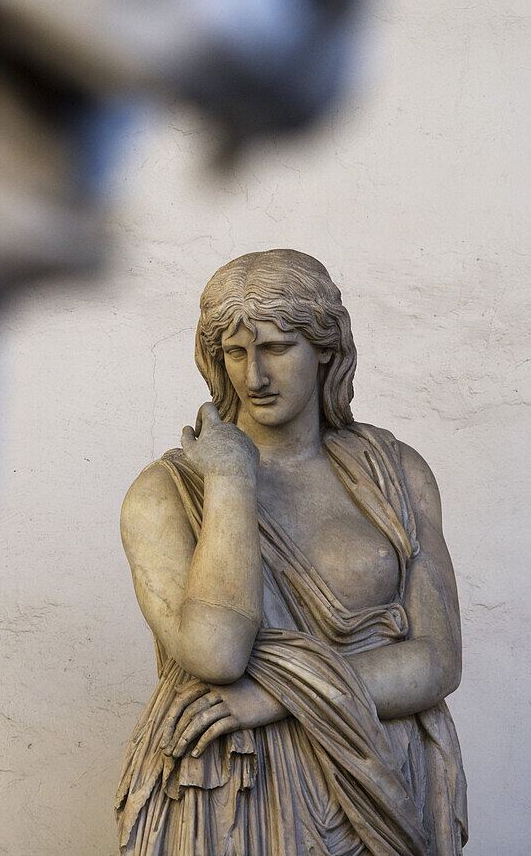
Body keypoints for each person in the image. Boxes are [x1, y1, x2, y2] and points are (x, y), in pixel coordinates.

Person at [116, 250, 467, 856]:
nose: (253, 377)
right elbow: (218, 653)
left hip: (379, 777)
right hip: (232, 792)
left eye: (276, 348)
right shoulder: (166, 494)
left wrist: (279, 694)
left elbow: (438, 661)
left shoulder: (395, 476)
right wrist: (230, 481)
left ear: (325, 347)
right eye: (234, 353)